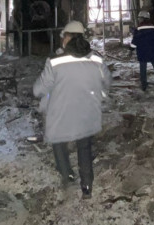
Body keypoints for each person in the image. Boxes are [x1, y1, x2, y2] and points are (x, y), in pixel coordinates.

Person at [33, 21, 112, 199]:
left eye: (63, 37)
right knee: (84, 146)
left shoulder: (55, 61)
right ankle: (87, 185)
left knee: (59, 142)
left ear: (67, 38)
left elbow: (38, 90)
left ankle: (67, 175)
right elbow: (107, 81)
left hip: (61, 112)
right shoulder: (96, 59)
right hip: (86, 111)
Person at [131, 10, 154, 91]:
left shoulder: (138, 29)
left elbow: (135, 41)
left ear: (142, 18)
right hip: (153, 50)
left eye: (139, 18)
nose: (139, 19)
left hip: (142, 52)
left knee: (143, 67)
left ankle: (144, 84)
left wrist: (131, 48)